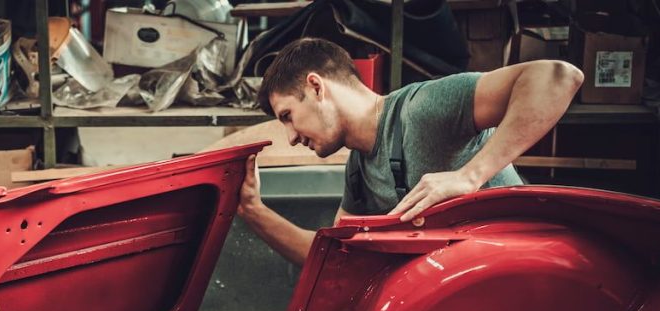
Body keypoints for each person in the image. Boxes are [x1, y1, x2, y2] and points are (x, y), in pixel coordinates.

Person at [238, 38, 585, 267]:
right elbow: (334, 260)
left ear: (316, 87)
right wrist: (253, 211)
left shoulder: (423, 109)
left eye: (288, 117)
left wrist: (470, 175)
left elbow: (557, 76)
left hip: (533, 286)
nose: (291, 137)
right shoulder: (359, 170)